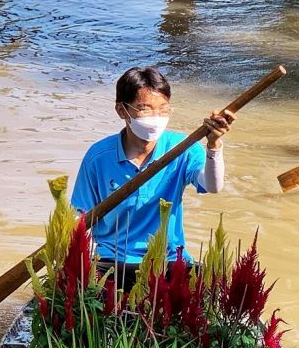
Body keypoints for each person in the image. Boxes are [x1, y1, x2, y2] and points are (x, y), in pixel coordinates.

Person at [71, 66, 235, 290]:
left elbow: (213, 185)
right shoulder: (98, 157)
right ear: (122, 110)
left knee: (214, 288)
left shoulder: (183, 148)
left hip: (167, 260)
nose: (156, 118)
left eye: (163, 109)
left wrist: (214, 145)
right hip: (111, 263)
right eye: (145, 109)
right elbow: (77, 218)